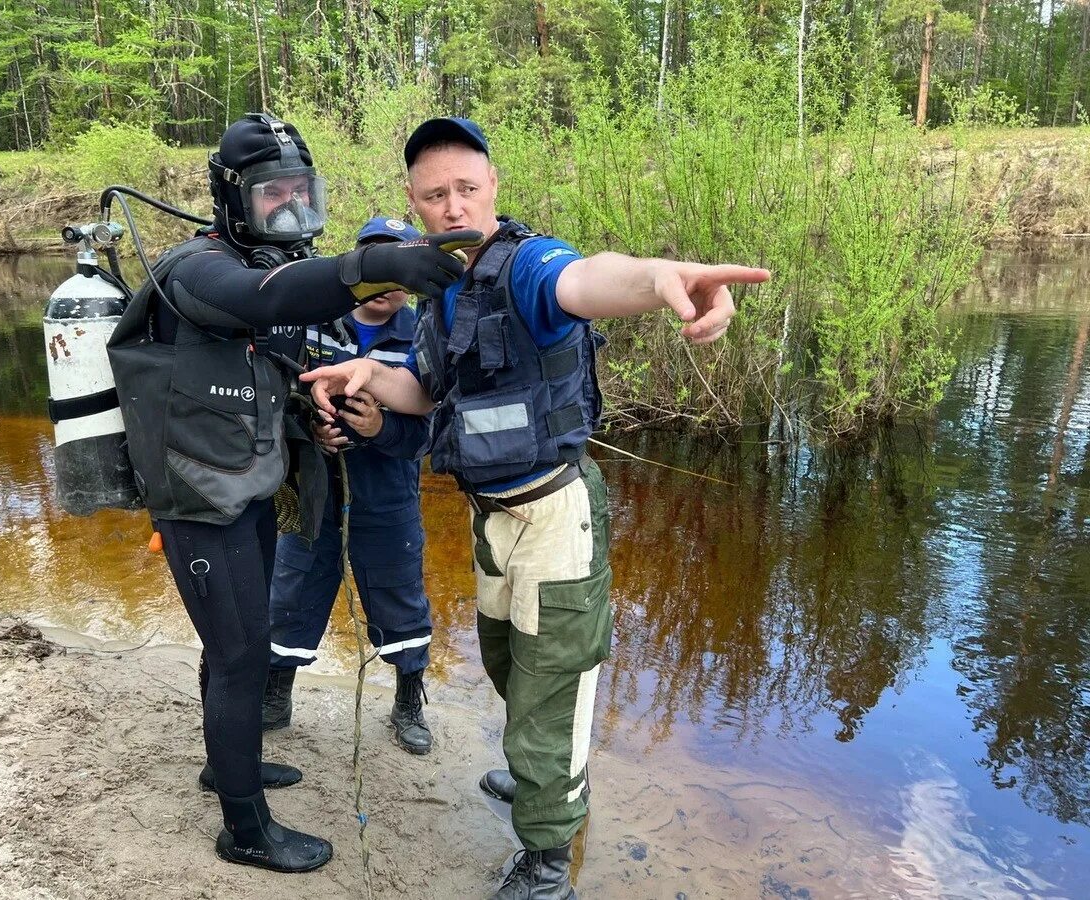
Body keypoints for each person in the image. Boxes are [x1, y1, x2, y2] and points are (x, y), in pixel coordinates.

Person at [300, 117, 770, 899]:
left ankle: (548, 860)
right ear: (415, 205)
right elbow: (427, 393)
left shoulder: (529, 266)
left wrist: (659, 279)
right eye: (435, 195)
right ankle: (543, 779)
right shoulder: (441, 291)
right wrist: (366, 373)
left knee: (551, 689)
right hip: (492, 520)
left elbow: (586, 280)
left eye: (467, 189)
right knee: (509, 666)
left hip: (555, 518)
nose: (453, 207)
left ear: (493, 189)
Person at [106, 113, 481, 875]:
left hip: (244, 484)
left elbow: (270, 370)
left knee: (232, 646)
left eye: (301, 197)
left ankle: (228, 765)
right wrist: (380, 264)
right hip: (196, 499)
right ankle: (244, 829)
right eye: (271, 197)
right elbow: (269, 297)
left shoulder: (274, 266)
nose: (287, 214)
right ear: (231, 197)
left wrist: (322, 421)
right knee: (242, 655)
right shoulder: (198, 268)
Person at [263, 215, 437, 756]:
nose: (386, 285)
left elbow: (429, 429)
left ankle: (409, 697)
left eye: (397, 267)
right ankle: (276, 690)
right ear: (358, 262)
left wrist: (381, 427)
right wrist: (309, 428)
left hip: (387, 489)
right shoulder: (313, 318)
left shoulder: (423, 333)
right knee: (292, 586)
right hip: (312, 485)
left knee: (398, 590)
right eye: (376, 263)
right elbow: (274, 395)